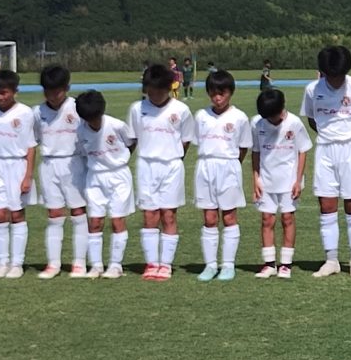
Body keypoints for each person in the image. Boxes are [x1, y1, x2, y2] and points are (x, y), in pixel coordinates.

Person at [300, 44, 351, 277]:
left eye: (339, 76)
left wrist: (350, 138)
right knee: (326, 205)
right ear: (323, 72)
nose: (335, 81)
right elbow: (312, 119)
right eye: (331, 76)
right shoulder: (312, 90)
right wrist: (329, 136)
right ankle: (331, 260)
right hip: (325, 148)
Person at [127, 61, 192, 281]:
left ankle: (166, 264)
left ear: (168, 87)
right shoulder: (137, 109)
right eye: (151, 90)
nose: (155, 94)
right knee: (149, 215)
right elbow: (132, 139)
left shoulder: (181, 110)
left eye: (159, 90)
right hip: (146, 166)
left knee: (168, 215)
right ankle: (152, 263)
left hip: (172, 165)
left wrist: (174, 157)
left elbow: (186, 141)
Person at [191, 68, 253, 281]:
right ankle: (210, 265)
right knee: (209, 217)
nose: (217, 98)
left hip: (229, 168)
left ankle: (228, 265)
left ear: (230, 92)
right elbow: (198, 141)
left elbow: (243, 147)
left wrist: (232, 165)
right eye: (213, 93)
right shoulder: (201, 116)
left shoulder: (239, 117)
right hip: (206, 167)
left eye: (222, 93)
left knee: (229, 216)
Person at [0, 67, 37, 278]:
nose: (0, 97)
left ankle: (17, 263)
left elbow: (31, 147)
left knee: (17, 214)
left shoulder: (25, 113)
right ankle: (2, 262)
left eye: (4, 93)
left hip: (17, 165)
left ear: (14, 91)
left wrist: (27, 176)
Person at [28, 63, 84, 278]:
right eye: (47, 91)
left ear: (66, 88)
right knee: (54, 214)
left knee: (78, 212)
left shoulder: (77, 107)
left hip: (74, 164)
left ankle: (79, 263)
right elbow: (33, 140)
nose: (52, 96)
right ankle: (53, 264)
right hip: (49, 165)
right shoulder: (37, 112)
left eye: (57, 91)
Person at [70, 89, 133, 278]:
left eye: (96, 118)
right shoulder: (80, 131)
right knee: (95, 221)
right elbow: (81, 151)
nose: (93, 122)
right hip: (95, 177)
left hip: (118, 175)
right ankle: (96, 265)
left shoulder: (117, 125)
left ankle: (115, 265)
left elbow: (131, 142)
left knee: (117, 220)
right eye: (89, 119)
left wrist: (120, 159)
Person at [249, 85, 311, 275]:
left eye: (274, 116)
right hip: (266, 181)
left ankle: (286, 264)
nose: (271, 120)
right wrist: (255, 179)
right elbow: (256, 152)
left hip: (289, 182)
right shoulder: (257, 124)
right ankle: (269, 264)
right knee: (267, 219)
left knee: (287, 218)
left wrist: (298, 180)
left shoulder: (294, 123)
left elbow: (302, 151)